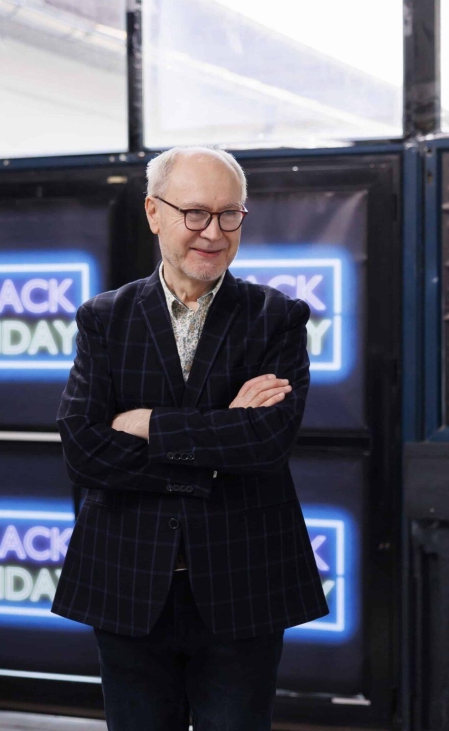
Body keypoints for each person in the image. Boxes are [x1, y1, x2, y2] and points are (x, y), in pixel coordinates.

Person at [54, 146, 327, 731]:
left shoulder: (276, 318)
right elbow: (83, 447)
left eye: (231, 215)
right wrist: (217, 441)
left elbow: (267, 442)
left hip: (243, 583)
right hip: (128, 581)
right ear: (154, 212)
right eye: (196, 213)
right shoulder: (104, 319)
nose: (214, 231)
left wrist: (150, 424)